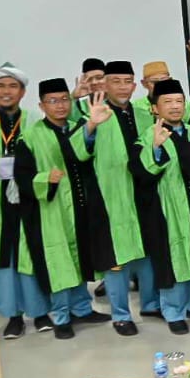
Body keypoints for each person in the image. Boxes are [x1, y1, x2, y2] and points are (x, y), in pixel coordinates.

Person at [13, 79, 113, 339]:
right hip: (51, 212)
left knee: (80, 259)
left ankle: (82, 308)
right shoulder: (30, 137)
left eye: (64, 99)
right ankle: (61, 317)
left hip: (79, 206)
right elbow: (22, 176)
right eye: (53, 101)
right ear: (41, 105)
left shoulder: (79, 127)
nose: (60, 106)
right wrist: (45, 179)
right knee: (59, 264)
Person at [136, 78, 190, 334]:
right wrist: (156, 148)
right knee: (173, 260)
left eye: (179, 101)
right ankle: (173, 311)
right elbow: (141, 173)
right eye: (167, 102)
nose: (174, 106)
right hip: (168, 210)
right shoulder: (148, 137)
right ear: (155, 108)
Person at [91, 62, 162, 333]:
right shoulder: (96, 114)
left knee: (147, 254)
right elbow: (79, 150)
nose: (122, 87)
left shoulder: (145, 115)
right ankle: (120, 315)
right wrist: (90, 126)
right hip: (111, 197)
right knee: (116, 258)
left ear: (134, 86)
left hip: (144, 193)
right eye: (116, 81)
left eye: (127, 81)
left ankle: (150, 303)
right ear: (105, 84)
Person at [0, 63, 52, 339]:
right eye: (0, 86)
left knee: (31, 255)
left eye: (13, 86)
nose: (6, 91)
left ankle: (40, 312)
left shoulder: (34, 121)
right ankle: (12, 316)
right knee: (3, 259)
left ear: (23, 92)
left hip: (28, 198)